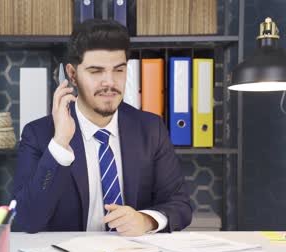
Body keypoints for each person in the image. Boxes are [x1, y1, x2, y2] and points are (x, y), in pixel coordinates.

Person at [13, 19, 192, 236]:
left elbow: (180, 205)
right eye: (96, 71)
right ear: (72, 75)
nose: (109, 82)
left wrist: (145, 220)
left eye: (118, 70)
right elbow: (27, 220)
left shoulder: (151, 129)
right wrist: (60, 144)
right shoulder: (39, 134)